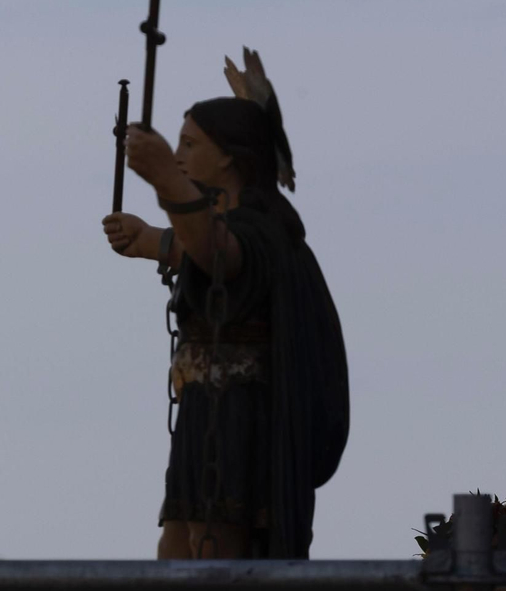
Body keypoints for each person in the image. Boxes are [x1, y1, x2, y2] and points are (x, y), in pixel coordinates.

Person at [103, 49, 348, 559]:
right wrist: (149, 237)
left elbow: (218, 255)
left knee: (216, 553)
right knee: (176, 549)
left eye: (190, 145)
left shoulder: (261, 230)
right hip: (205, 412)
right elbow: (197, 246)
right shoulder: (241, 228)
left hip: (239, 422)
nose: (178, 155)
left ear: (229, 158)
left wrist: (165, 183)